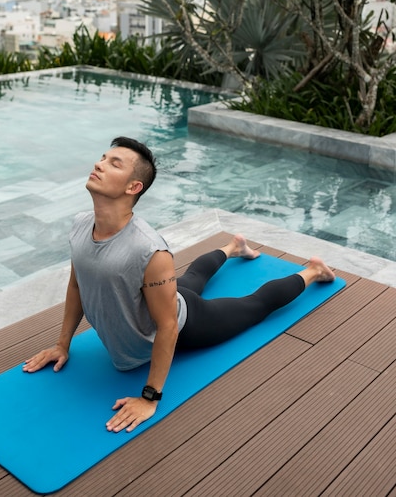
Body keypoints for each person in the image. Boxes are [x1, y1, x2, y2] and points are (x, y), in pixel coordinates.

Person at [24, 136, 335, 433]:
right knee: (193, 278)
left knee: (253, 305)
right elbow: (78, 286)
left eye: (114, 163)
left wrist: (149, 398)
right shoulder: (81, 225)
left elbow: (169, 326)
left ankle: (312, 271)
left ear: (134, 186)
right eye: (104, 158)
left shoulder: (148, 249)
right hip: (158, 297)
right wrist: (62, 345)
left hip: (189, 323)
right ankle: (234, 247)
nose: (100, 163)